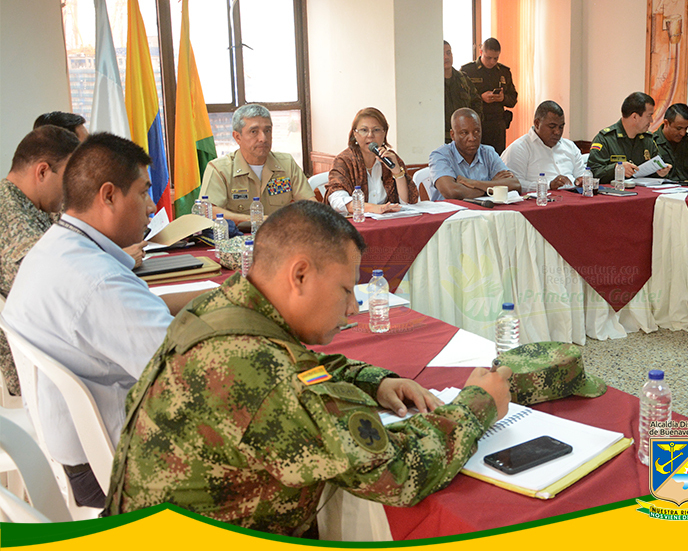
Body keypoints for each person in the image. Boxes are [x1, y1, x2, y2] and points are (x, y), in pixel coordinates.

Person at [104, 201, 513, 537]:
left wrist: (376, 382)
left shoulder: (223, 307)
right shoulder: (262, 375)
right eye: (345, 290)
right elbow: (398, 474)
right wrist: (476, 406)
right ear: (299, 275)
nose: (352, 308)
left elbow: (301, 364)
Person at [1, 133, 206, 508]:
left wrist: (213, 301)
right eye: (144, 193)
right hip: (116, 466)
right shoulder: (98, 281)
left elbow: (134, 315)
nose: (151, 208)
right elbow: (191, 372)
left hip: (77, 454)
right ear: (109, 195)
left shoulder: (55, 247)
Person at [0, 126, 80, 398]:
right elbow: (52, 296)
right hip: (37, 367)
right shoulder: (14, 221)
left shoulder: (23, 202)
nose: (71, 191)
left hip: (44, 352)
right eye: (68, 180)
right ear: (43, 171)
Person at [199, 104, 314, 224]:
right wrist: (258, 220)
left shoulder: (287, 164)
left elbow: (311, 205)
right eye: (254, 131)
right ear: (237, 137)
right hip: (238, 234)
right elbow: (209, 211)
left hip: (280, 233)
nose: (263, 138)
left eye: (267, 131)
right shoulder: (219, 169)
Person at [323, 107, 417, 216]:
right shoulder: (344, 161)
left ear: (384, 133)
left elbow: (407, 202)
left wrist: (397, 171)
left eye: (376, 130)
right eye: (364, 130)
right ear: (355, 134)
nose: (370, 135)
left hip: (387, 220)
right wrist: (374, 208)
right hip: (355, 222)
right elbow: (337, 200)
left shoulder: (390, 158)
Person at [427, 108, 518, 200]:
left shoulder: (488, 152)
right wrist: (490, 187)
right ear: (453, 135)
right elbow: (451, 192)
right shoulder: (440, 155)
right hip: (451, 209)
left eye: (476, 131)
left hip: (484, 208)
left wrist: (473, 183)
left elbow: (515, 184)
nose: (472, 138)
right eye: (464, 133)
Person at [501, 101, 587, 192]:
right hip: (540, 199)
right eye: (552, 126)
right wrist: (548, 185)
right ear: (537, 123)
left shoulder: (570, 146)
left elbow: (582, 175)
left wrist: (582, 181)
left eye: (561, 127)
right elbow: (512, 184)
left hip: (574, 196)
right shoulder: (519, 148)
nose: (557, 132)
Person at [588, 92, 671, 185]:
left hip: (643, 191)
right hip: (614, 192)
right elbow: (592, 173)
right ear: (635, 117)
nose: (651, 120)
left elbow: (653, 171)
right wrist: (616, 168)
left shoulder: (648, 140)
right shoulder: (605, 139)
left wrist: (660, 172)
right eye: (649, 116)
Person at [461, 38, 518, 154]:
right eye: (488, 58)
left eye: (496, 58)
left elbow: (513, 99)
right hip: (476, 125)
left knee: (497, 158)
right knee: (475, 158)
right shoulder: (468, 71)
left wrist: (503, 98)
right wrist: (480, 98)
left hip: (497, 125)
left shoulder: (503, 72)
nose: (492, 62)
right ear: (481, 52)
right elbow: (460, 100)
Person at [651, 103, 688, 183]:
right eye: (678, 128)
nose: (683, 133)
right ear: (666, 123)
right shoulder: (652, 143)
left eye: (686, 128)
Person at [444, 40, 483, 143]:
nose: (446, 57)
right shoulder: (431, 83)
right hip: (441, 137)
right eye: (442, 54)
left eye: (448, 53)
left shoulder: (463, 79)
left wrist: (472, 126)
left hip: (464, 139)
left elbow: (476, 102)